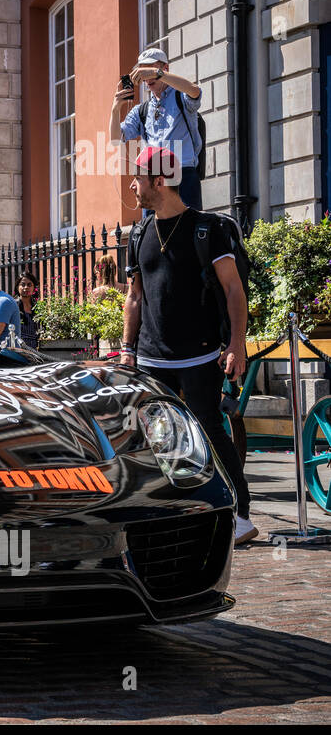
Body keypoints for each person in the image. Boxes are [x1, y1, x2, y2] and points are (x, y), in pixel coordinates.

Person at [119, 145, 256, 545]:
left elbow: (233, 290)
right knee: (151, 437)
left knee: (210, 431)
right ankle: (167, 513)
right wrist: (127, 348)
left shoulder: (207, 229)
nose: (133, 184)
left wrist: (236, 343)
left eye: (139, 177)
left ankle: (241, 515)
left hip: (198, 354)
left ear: (159, 181)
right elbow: (134, 296)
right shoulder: (140, 232)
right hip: (150, 356)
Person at [110, 46, 205, 211]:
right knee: (155, 233)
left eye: (150, 69)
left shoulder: (180, 96)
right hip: (153, 180)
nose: (146, 76)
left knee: (188, 232)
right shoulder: (142, 110)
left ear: (165, 68)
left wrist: (158, 74)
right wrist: (115, 109)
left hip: (183, 174)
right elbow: (116, 140)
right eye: (143, 71)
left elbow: (195, 91)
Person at [14, 271, 41, 349]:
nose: (26, 287)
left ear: (34, 288)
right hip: (18, 348)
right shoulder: (13, 305)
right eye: (23, 285)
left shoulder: (38, 307)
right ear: (17, 287)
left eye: (29, 285)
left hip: (35, 350)